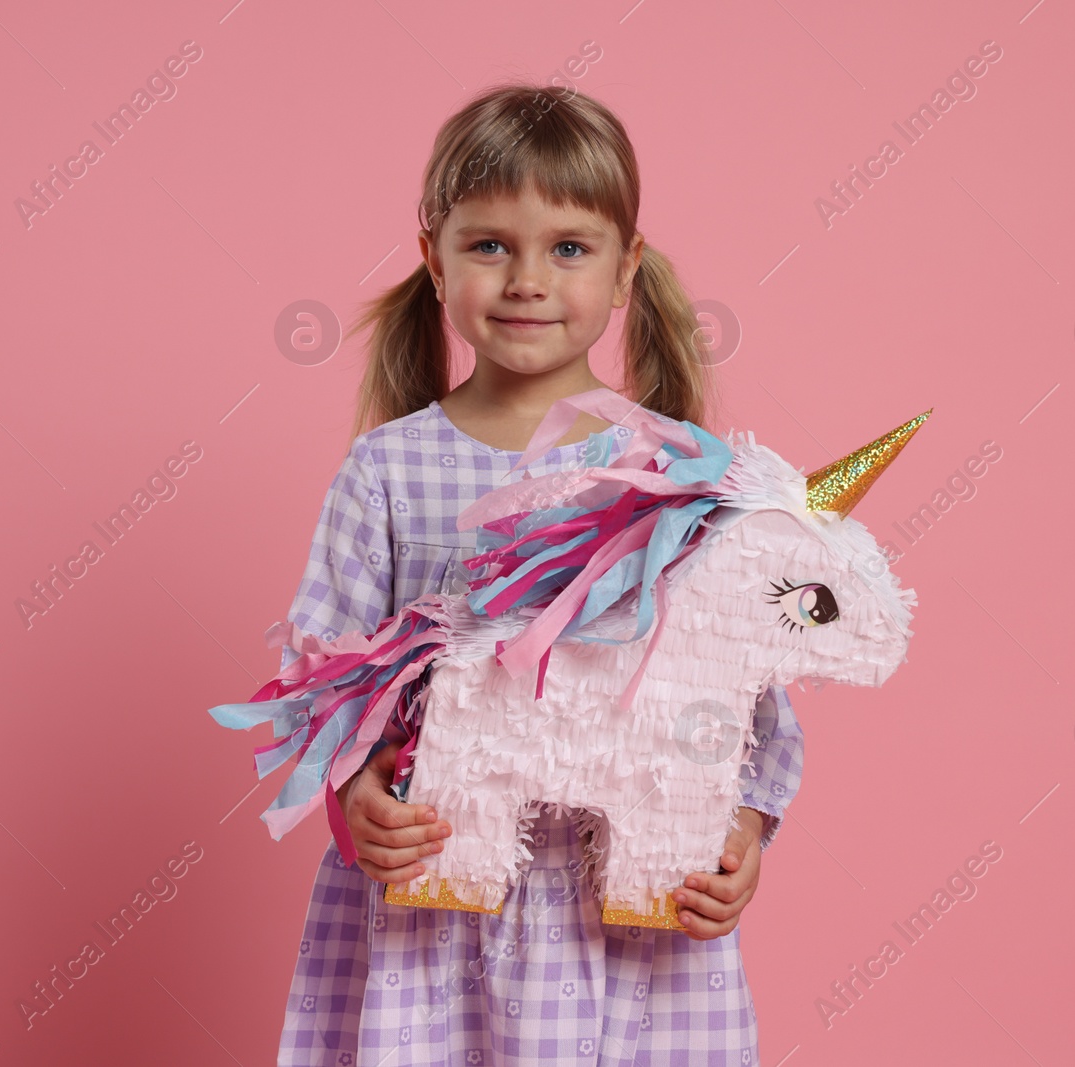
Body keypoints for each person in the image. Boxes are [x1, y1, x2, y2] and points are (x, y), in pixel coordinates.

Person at [270, 82, 803, 1066]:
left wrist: (743, 838)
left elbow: (748, 698)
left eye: (567, 247)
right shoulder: (386, 470)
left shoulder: (682, 474)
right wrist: (358, 798)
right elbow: (321, 675)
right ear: (434, 259)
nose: (527, 279)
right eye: (489, 245)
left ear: (623, 267)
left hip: (631, 910)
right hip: (436, 901)